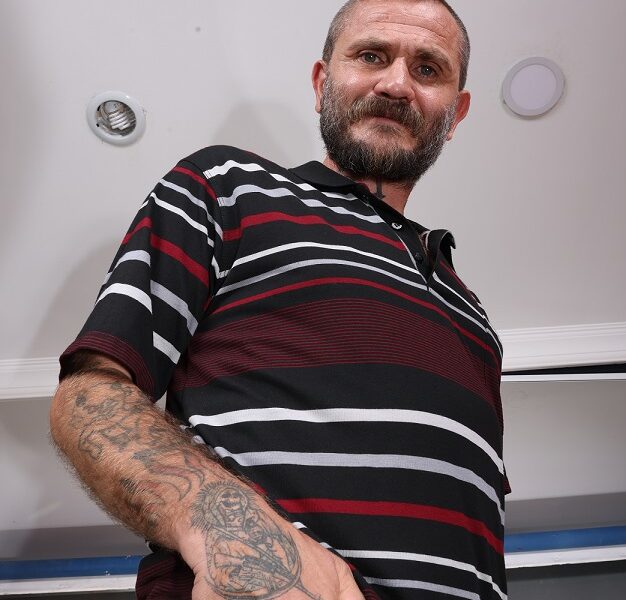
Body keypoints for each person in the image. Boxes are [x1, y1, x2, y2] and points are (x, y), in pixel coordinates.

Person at [50, 0, 508, 598]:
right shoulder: (227, 187)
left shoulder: (473, 312)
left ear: (456, 113)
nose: (397, 84)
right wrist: (232, 534)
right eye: (372, 56)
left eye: (428, 69)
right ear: (322, 84)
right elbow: (91, 393)